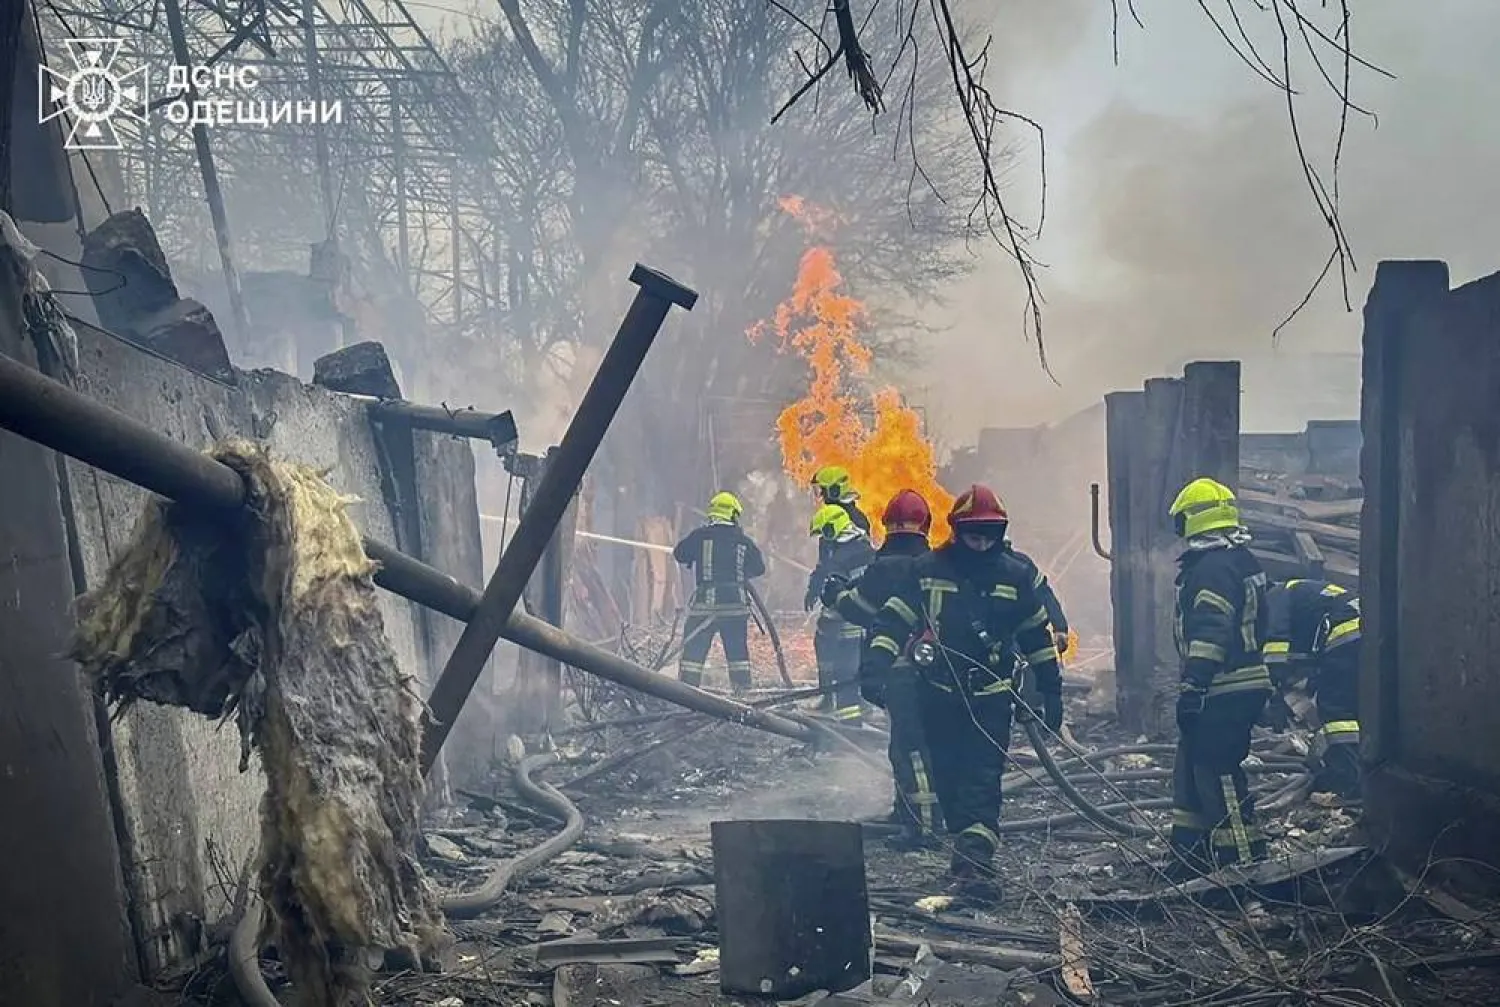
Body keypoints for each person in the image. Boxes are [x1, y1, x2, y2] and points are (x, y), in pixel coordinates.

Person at [864, 485, 1064, 890]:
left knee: (982, 781)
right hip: (937, 695)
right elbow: (893, 619)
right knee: (949, 781)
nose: (981, 542)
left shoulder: (1015, 575)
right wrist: (875, 665)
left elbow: (1036, 637)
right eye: (973, 533)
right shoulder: (928, 569)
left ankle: (975, 861)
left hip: (990, 700)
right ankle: (964, 849)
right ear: (956, 529)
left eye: (988, 534)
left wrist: (1051, 689)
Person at [1166, 477, 1272, 877]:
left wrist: (1194, 684)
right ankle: (1190, 856)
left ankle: (1244, 863)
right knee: (1193, 768)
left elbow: (1211, 630)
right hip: (1230, 686)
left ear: (1191, 520)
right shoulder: (1236, 560)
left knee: (1218, 770)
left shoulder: (1212, 568)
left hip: (1226, 687)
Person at [829, 489, 943, 845]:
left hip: (898, 668)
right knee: (916, 743)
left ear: (887, 525)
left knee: (910, 746)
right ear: (925, 525)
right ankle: (906, 811)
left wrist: (835, 592)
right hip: (936, 671)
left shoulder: (885, 568)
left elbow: (861, 609)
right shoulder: (937, 564)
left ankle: (922, 827)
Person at [1265, 579, 1362, 798]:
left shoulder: (1273, 596)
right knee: (1359, 707)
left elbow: (1276, 645)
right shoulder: (1307, 592)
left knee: (1337, 714)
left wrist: (1274, 688)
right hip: (1369, 634)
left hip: (1344, 636)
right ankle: (1364, 770)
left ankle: (1347, 780)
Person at [671, 491, 766, 693]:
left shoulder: (700, 536)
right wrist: (740, 574)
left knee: (693, 655)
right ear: (733, 515)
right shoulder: (743, 542)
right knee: (737, 655)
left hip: (705, 606)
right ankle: (743, 696)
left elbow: (679, 553)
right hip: (734, 608)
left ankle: (686, 694)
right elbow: (759, 568)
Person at [806, 502, 877, 723]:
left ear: (833, 529)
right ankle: (852, 704)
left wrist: (823, 597)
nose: (823, 539)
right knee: (857, 670)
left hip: (848, 624)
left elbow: (835, 592)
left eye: (824, 533)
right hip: (867, 622)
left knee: (844, 673)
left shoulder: (842, 556)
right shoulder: (866, 548)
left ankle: (850, 724)